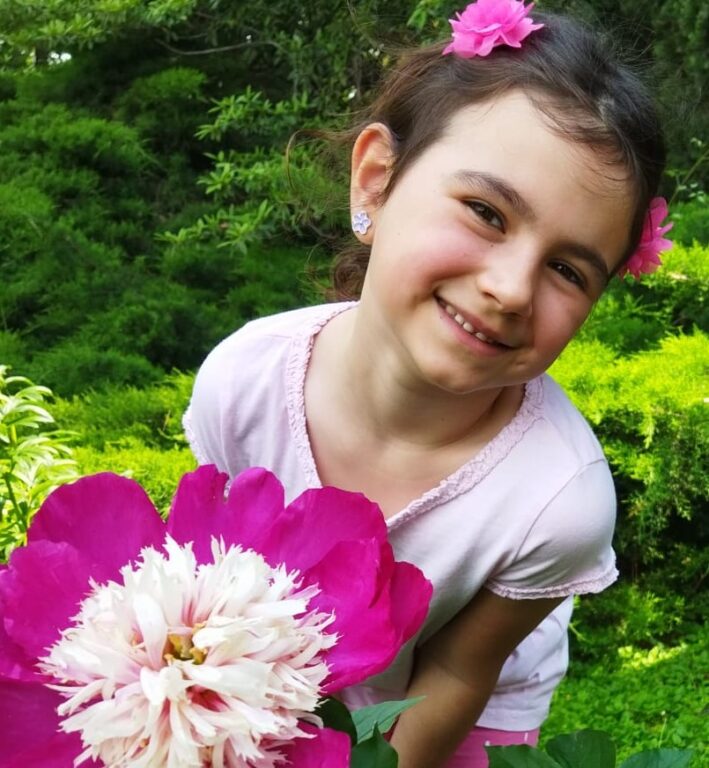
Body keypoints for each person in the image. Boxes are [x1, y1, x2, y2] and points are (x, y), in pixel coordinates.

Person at [183, 2, 670, 766]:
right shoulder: (242, 383)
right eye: (484, 212)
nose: (510, 289)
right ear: (376, 182)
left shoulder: (557, 502)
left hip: (454, 710)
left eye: (566, 269)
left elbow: (456, 674)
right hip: (275, 675)